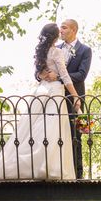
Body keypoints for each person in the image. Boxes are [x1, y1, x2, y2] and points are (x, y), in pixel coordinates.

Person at [0, 23, 81, 181]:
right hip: (54, 92)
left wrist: (43, 75)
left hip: (40, 92)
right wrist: (75, 96)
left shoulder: (41, 52)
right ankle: (50, 168)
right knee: (52, 131)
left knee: (34, 130)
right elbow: (65, 76)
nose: (61, 32)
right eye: (59, 31)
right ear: (55, 37)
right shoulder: (57, 52)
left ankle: (38, 165)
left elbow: (39, 74)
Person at [39, 19, 92, 178]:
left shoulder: (85, 50)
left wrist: (59, 78)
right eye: (60, 28)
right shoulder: (55, 49)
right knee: (59, 134)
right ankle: (61, 171)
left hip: (76, 98)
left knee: (78, 133)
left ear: (74, 30)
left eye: (64, 27)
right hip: (56, 98)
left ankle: (79, 175)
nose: (60, 30)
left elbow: (82, 75)